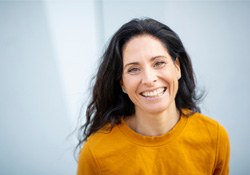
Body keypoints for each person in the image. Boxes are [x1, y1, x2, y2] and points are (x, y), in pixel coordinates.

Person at [77, 18, 230, 175]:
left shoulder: (214, 137)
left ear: (177, 67)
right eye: (133, 69)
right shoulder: (96, 152)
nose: (149, 79)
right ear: (122, 83)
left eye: (158, 63)